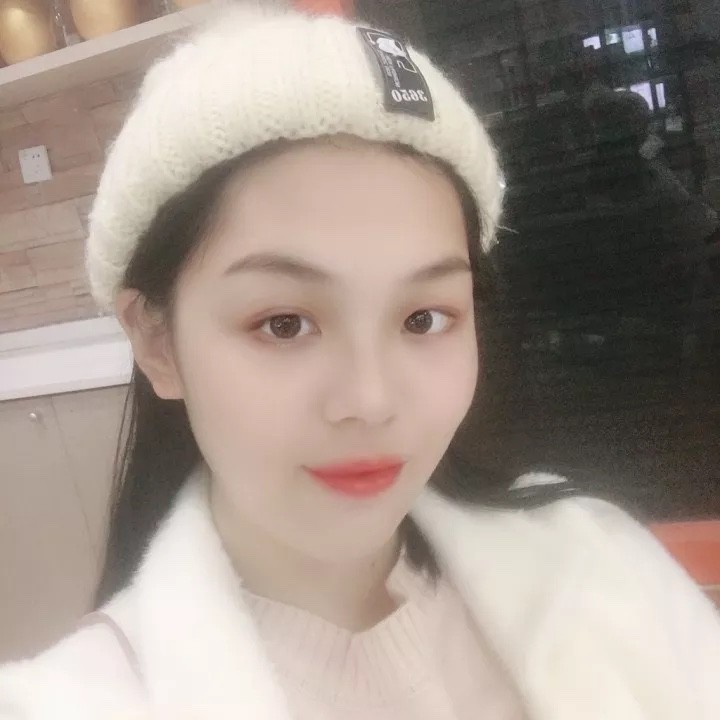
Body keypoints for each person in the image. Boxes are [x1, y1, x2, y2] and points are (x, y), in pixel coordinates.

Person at [2, 6, 720, 719]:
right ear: (158, 342)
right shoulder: (71, 701)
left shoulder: (599, 561)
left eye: (423, 318)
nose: (371, 400)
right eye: (284, 324)